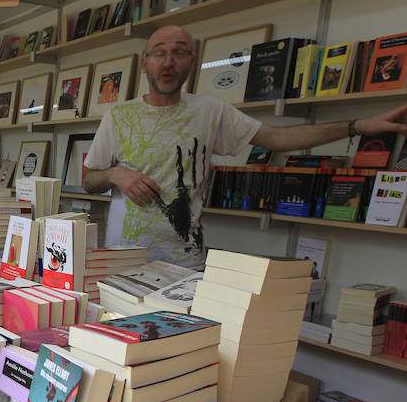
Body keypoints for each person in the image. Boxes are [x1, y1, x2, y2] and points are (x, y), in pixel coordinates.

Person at [82, 25, 407, 270]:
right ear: (145, 63)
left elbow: (278, 139)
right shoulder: (119, 115)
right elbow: (89, 180)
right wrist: (115, 174)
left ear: (192, 61)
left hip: (186, 264)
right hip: (123, 260)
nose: (168, 62)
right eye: (159, 53)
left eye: (179, 53)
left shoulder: (211, 111)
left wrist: (356, 127)